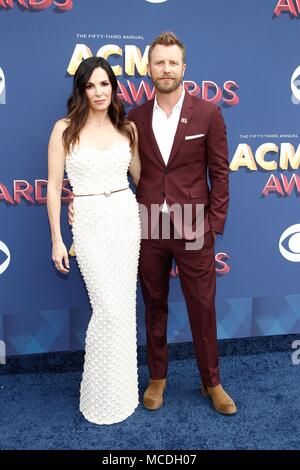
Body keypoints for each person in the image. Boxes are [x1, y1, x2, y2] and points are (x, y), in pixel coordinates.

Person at [69, 32, 237, 415]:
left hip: (195, 224)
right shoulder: (135, 118)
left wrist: (213, 223)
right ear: (149, 69)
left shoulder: (209, 113)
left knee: (202, 306)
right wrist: (79, 201)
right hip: (145, 225)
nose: (166, 69)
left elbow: (221, 173)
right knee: (154, 304)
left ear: (183, 68)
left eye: (172, 62)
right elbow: (115, 167)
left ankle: (212, 382)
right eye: (159, 62)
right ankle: (157, 378)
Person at [47, 56, 141, 425]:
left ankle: (121, 393)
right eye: (91, 85)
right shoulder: (64, 129)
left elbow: (143, 178)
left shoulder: (127, 129)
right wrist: (57, 239)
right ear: (81, 90)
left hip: (124, 219)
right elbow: (54, 187)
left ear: (114, 88)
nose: (99, 92)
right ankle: (98, 396)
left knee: (123, 310)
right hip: (87, 222)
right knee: (108, 309)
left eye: (105, 84)